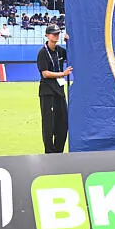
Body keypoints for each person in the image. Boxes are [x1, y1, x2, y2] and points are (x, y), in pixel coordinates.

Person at [37, 24, 72, 154]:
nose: (56, 36)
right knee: (48, 125)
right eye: (53, 34)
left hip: (59, 91)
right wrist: (62, 74)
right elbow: (45, 73)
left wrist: (69, 42)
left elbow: (72, 54)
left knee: (63, 123)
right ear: (47, 35)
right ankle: (49, 153)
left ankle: (58, 152)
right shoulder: (42, 53)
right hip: (47, 92)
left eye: (58, 34)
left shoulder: (60, 51)